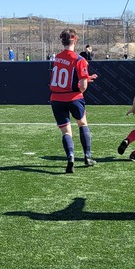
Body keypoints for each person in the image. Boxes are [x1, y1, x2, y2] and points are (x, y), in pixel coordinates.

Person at [50, 28, 97, 173]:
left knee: (66, 132)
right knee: (82, 123)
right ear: (75, 41)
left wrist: (84, 78)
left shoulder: (57, 58)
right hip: (74, 98)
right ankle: (87, 156)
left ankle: (70, 156)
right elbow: (82, 87)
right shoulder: (79, 59)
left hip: (56, 99)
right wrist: (84, 81)